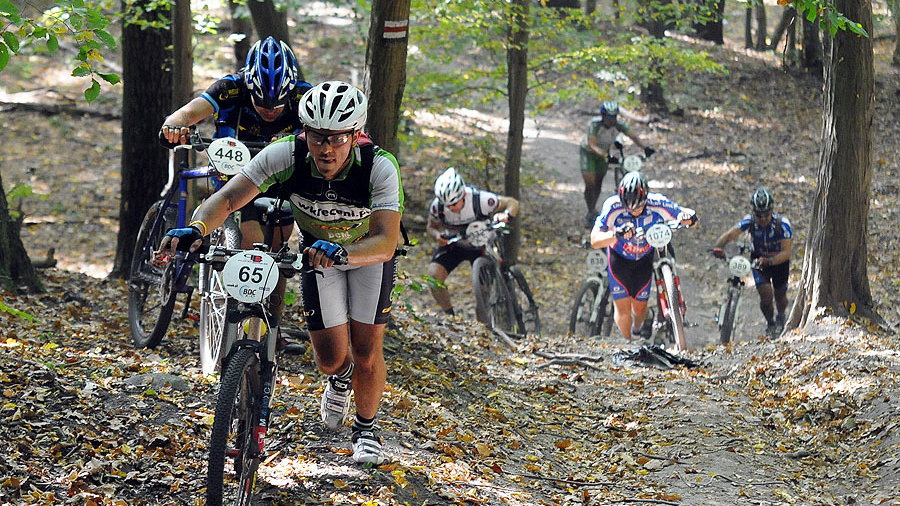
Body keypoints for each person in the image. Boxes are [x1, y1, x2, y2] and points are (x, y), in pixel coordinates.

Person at [157, 81, 404, 466]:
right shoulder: (285, 154)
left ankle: (365, 428)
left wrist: (342, 251)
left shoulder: (378, 166)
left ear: (355, 136)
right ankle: (340, 378)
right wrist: (197, 228)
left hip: (366, 255)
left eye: (337, 138)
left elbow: (386, 242)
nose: (326, 148)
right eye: (318, 136)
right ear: (304, 131)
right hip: (317, 257)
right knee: (329, 359)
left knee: (367, 350)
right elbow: (226, 198)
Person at [159, 36, 313, 251]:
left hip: (279, 173)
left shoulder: (304, 95)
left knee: (280, 247)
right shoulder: (230, 87)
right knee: (252, 238)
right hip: (235, 172)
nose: (270, 111)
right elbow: (186, 113)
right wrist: (174, 126)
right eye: (261, 105)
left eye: (278, 107)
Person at [590, 171, 697, 342]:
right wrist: (616, 234)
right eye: (629, 208)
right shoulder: (612, 206)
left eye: (639, 207)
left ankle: (638, 330)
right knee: (623, 309)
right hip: (619, 258)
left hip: (645, 258)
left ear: (646, 198)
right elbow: (595, 240)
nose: (634, 211)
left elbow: (681, 213)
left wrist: (689, 217)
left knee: (640, 308)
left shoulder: (657, 202)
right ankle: (628, 342)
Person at [426, 167, 520, 316]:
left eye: (455, 203)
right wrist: (437, 235)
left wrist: (506, 215)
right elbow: (431, 226)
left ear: (463, 194)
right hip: (455, 244)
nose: (452, 208)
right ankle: (450, 316)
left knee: (483, 293)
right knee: (433, 276)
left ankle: (483, 324)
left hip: (481, 245)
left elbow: (512, 202)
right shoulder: (437, 207)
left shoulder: (481, 200)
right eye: (448, 205)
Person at [711, 187, 793, 337]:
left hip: (779, 262)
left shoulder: (782, 223)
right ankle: (771, 323)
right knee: (766, 296)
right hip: (759, 261)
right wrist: (718, 247)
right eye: (758, 215)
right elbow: (730, 234)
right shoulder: (749, 221)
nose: (762, 219)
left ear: (771, 211)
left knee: (780, 295)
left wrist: (770, 261)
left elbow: (787, 252)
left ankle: (781, 316)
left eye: (766, 215)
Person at [580, 100, 655, 228]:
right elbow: (592, 144)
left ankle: (593, 210)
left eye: (613, 117)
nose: (611, 121)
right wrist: (606, 156)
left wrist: (645, 147)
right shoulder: (595, 125)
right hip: (589, 153)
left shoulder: (619, 125)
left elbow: (633, 136)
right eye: (609, 118)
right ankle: (590, 209)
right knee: (590, 182)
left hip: (604, 152)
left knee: (598, 182)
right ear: (603, 116)